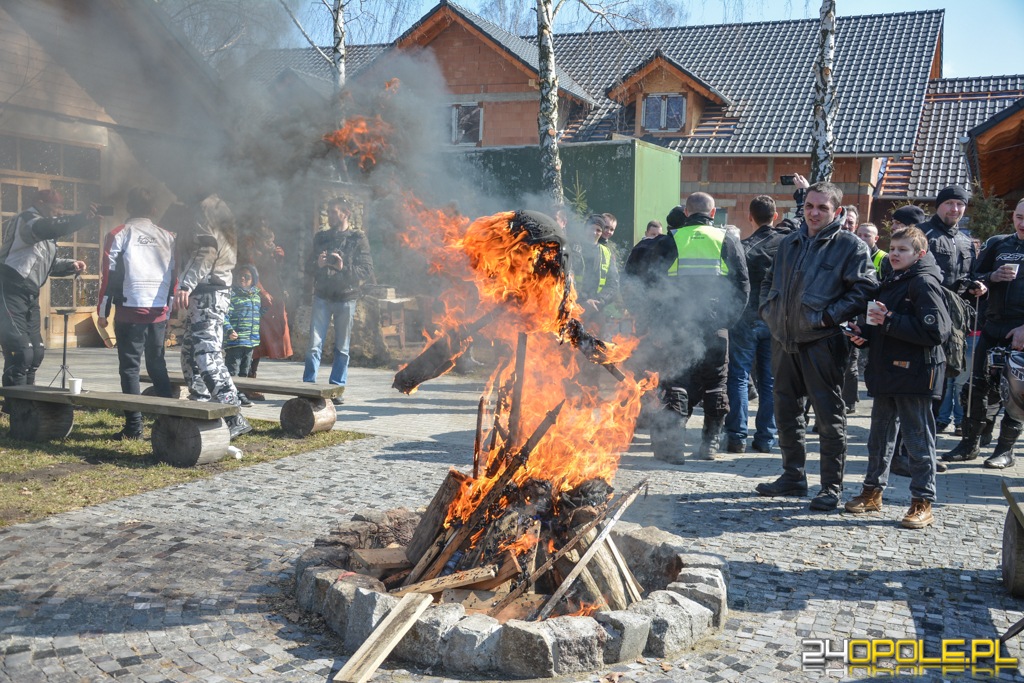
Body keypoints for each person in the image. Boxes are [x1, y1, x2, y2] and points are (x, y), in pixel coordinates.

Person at [756, 181, 878, 510]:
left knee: (829, 417)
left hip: (823, 343)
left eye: (822, 208)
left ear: (836, 212)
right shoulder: (790, 242)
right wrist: (767, 310)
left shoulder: (851, 246)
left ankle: (830, 488)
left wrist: (827, 318)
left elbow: (865, 288)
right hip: (783, 339)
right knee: (786, 411)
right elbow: (770, 280)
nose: (814, 212)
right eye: (810, 206)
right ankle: (793, 476)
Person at [843, 227, 950, 528]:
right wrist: (864, 334)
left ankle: (922, 502)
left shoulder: (924, 282)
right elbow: (884, 325)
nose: (894, 254)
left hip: (916, 375)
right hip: (887, 372)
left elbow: (935, 332)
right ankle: (872, 492)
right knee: (879, 438)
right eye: (893, 248)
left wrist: (888, 320)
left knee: (917, 441)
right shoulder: (891, 279)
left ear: (920, 254)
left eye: (903, 250)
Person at [651, 193, 749, 462]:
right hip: (715, 322)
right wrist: (728, 320)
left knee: (676, 382)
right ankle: (710, 446)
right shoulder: (726, 239)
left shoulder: (671, 239)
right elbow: (742, 283)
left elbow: (653, 281)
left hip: (678, 323)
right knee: (716, 383)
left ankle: (674, 447)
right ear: (713, 212)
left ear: (686, 212)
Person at [942, 198, 1024, 469]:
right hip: (991, 326)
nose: (1023, 224)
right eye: (1020, 217)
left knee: (1016, 395)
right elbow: (974, 276)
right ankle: (969, 444)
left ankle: (1005, 450)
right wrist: (989, 279)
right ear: (1014, 216)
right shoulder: (998, 243)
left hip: (1020, 331)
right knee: (975, 389)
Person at [96, 187, 176, 440]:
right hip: (159, 310)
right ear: (154, 210)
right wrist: (169, 307)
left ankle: (134, 427)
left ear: (129, 208)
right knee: (157, 364)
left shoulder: (118, 233)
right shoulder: (168, 236)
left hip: (130, 309)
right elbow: (175, 275)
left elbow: (109, 274)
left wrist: (103, 310)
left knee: (130, 368)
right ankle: (169, 420)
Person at [0, 189, 96, 387]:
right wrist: (80, 218)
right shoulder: (28, 219)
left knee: (36, 352)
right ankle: (17, 408)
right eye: (57, 207)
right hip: (10, 289)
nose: (60, 212)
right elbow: (47, 227)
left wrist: (70, 265)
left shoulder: (46, 231)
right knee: (20, 352)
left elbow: (46, 264)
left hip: (30, 293)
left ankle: (29, 406)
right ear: (41, 203)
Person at [175, 193, 251, 439]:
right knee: (189, 352)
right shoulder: (220, 207)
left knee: (206, 354)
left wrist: (186, 283)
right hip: (211, 290)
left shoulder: (204, 208)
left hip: (208, 290)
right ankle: (202, 405)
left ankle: (232, 415)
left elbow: (207, 249)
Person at [724, 195, 790, 454]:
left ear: (750, 217)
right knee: (769, 381)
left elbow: (733, 284)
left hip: (746, 319)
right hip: (774, 320)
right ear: (775, 216)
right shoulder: (788, 246)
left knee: (739, 377)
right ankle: (765, 438)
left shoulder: (743, 247)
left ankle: (737, 437)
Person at [304, 196, 375, 404]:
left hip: (346, 298)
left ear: (346, 213)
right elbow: (308, 267)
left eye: (334, 211)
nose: (329, 215)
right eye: (328, 211)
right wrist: (318, 264)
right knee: (313, 345)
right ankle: (308, 386)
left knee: (342, 348)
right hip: (322, 296)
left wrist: (342, 268)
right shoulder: (321, 237)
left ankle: (336, 388)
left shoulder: (357, 238)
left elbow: (367, 270)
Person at [244, 222, 293, 399]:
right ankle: (246, 383)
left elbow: (277, 275)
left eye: (272, 241)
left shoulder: (269, 255)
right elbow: (251, 276)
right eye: (268, 242)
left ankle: (251, 380)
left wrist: (279, 260)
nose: (271, 245)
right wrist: (262, 291)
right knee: (254, 344)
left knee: (263, 343)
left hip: (272, 301)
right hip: (256, 302)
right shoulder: (250, 255)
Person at [223, 264, 263, 407]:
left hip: (250, 342)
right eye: (240, 275)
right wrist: (228, 330)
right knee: (232, 370)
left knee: (245, 371)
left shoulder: (257, 297)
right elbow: (224, 316)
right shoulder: (232, 296)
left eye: (247, 276)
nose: (243, 278)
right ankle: (231, 396)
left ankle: (241, 395)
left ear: (253, 279)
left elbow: (259, 313)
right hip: (236, 341)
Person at [575, 214, 620, 331]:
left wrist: (598, 302)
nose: (594, 233)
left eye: (598, 230)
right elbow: (564, 280)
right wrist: (583, 302)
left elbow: (613, 284)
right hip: (574, 306)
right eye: (591, 229)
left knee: (598, 345)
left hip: (596, 308)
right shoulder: (573, 248)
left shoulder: (606, 252)